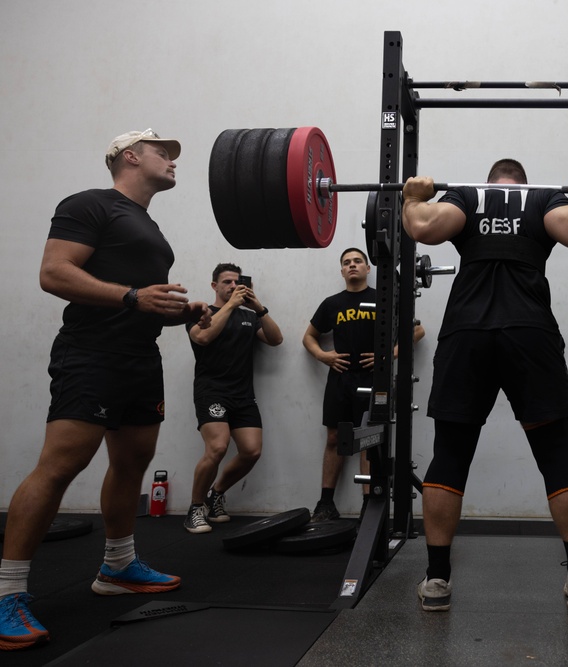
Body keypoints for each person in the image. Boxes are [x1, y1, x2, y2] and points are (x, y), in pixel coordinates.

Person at [0, 129, 212, 651]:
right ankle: (7, 594)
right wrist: (134, 296)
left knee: (132, 462)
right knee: (61, 464)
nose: (173, 161)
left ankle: (117, 566)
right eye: (164, 153)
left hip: (139, 358)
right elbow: (54, 273)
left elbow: (134, 300)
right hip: (91, 353)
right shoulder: (89, 204)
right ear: (131, 157)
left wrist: (175, 310)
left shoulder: (150, 227)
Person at [401, 160, 568, 612]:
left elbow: (423, 227)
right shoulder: (543, 199)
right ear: (524, 182)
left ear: (490, 181)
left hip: (466, 333)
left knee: (450, 453)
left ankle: (437, 580)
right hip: (530, 333)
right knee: (555, 450)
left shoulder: (467, 197)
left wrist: (414, 196)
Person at [303, 248, 425, 522]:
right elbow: (309, 337)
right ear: (342, 271)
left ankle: (370, 507)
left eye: (358, 261)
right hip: (341, 378)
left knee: (371, 440)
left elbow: (418, 330)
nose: (352, 265)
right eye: (346, 262)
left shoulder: (383, 298)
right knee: (335, 438)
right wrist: (324, 356)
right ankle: (325, 503)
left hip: (374, 379)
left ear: (369, 269)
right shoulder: (331, 303)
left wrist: (390, 353)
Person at [183, 264, 283, 534]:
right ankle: (195, 507)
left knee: (252, 451)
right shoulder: (200, 313)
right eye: (227, 282)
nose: (233, 286)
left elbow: (276, 339)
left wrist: (258, 307)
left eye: (237, 282)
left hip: (243, 394)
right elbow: (203, 337)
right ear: (214, 285)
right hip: (211, 391)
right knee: (217, 448)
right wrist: (231, 305)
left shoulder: (249, 317)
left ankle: (216, 494)